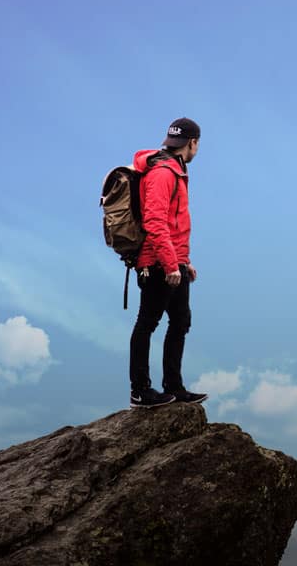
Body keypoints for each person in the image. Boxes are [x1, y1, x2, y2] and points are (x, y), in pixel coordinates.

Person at [128, 117, 208, 408]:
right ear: (193, 143)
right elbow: (155, 222)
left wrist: (184, 261)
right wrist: (170, 264)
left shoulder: (176, 169)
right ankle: (140, 391)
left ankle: (173, 387)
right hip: (156, 262)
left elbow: (175, 224)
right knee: (147, 323)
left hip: (173, 260)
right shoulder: (163, 173)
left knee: (180, 321)